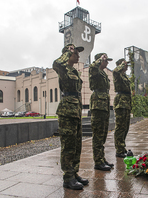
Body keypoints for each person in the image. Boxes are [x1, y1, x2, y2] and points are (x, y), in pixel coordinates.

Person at [52, 43, 89, 190]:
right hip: (67, 111)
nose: (78, 55)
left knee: (77, 145)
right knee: (68, 146)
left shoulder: (74, 71)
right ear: (68, 54)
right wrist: (67, 51)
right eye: (75, 53)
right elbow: (56, 63)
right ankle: (68, 178)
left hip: (75, 110)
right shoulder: (63, 69)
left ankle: (74, 173)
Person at [89, 53, 114, 171]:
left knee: (103, 133)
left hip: (103, 104)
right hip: (98, 104)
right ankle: (98, 161)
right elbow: (93, 67)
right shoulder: (95, 71)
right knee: (98, 134)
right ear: (100, 61)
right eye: (105, 60)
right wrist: (99, 59)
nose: (107, 63)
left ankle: (101, 158)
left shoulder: (103, 73)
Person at [113, 58, 131, 158]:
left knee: (126, 127)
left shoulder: (124, 76)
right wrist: (121, 65)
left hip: (126, 102)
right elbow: (115, 70)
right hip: (121, 103)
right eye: (125, 64)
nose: (126, 66)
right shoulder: (118, 74)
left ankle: (122, 147)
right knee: (120, 127)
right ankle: (119, 150)